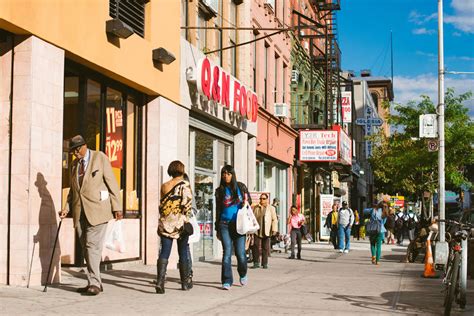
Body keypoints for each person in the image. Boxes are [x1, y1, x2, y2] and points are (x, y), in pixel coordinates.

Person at [60, 135, 122, 296]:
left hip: (98, 211)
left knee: (91, 246)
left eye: (76, 150)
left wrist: (117, 207)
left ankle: (94, 283)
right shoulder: (74, 165)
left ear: (84, 146)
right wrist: (66, 208)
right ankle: (96, 282)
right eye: (73, 151)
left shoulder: (99, 157)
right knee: (86, 249)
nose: (75, 154)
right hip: (79, 212)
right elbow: (73, 192)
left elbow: (111, 182)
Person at [155, 160, 193, 294]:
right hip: (179, 223)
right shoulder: (185, 185)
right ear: (181, 170)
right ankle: (184, 283)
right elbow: (186, 205)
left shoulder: (164, 185)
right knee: (182, 252)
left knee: (164, 251)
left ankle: (160, 281)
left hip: (165, 222)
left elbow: (162, 205)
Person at [215, 165, 251, 290]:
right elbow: (218, 210)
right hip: (224, 224)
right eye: (223, 173)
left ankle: (243, 273)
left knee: (241, 254)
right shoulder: (219, 190)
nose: (226, 176)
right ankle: (226, 280)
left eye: (228, 173)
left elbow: (249, 203)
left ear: (233, 174)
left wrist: (245, 203)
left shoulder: (241, 187)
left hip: (239, 225)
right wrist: (217, 228)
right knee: (227, 253)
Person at [251, 193, 278, 269]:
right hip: (257, 230)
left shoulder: (271, 208)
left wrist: (274, 229)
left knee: (265, 247)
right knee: (255, 246)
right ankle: (256, 262)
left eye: (263, 199)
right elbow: (253, 217)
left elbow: (274, 219)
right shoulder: (256, 207)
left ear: (267, 199)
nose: (262, 200)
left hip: (266, 230)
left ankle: (264, 263)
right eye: (261, 198)